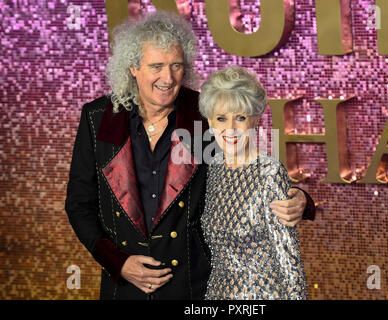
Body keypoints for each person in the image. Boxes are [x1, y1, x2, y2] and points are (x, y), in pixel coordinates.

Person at [65, 11, 315, 300]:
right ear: (133, 67)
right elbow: (79, 204)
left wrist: (299, 199)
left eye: (176, 66)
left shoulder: (204, 113)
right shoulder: (99, 118)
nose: (168, 78)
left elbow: (248, 167)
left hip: (191, 286)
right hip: (124, 287)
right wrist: (117, 262)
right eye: (156, 66)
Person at [199, 66, 308, 299]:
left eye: (240, 117)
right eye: (221, 118)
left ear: (255, 119)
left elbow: (287, 256)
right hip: (217, 294)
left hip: (262, 294)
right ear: (209, 121)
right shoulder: (213, 168)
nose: (230, 128)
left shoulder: (269, 172)